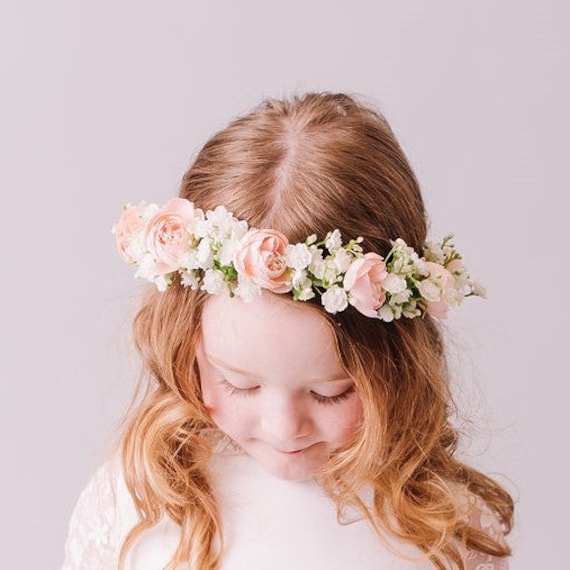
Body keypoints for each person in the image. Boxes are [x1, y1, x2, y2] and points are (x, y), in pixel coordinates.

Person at [62, 92, 514, 569]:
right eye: (239, 383)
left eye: (331, 393)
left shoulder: (443, 531)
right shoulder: (137, 504)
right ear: (185, 339)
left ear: (399, 365)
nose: (284, 428)